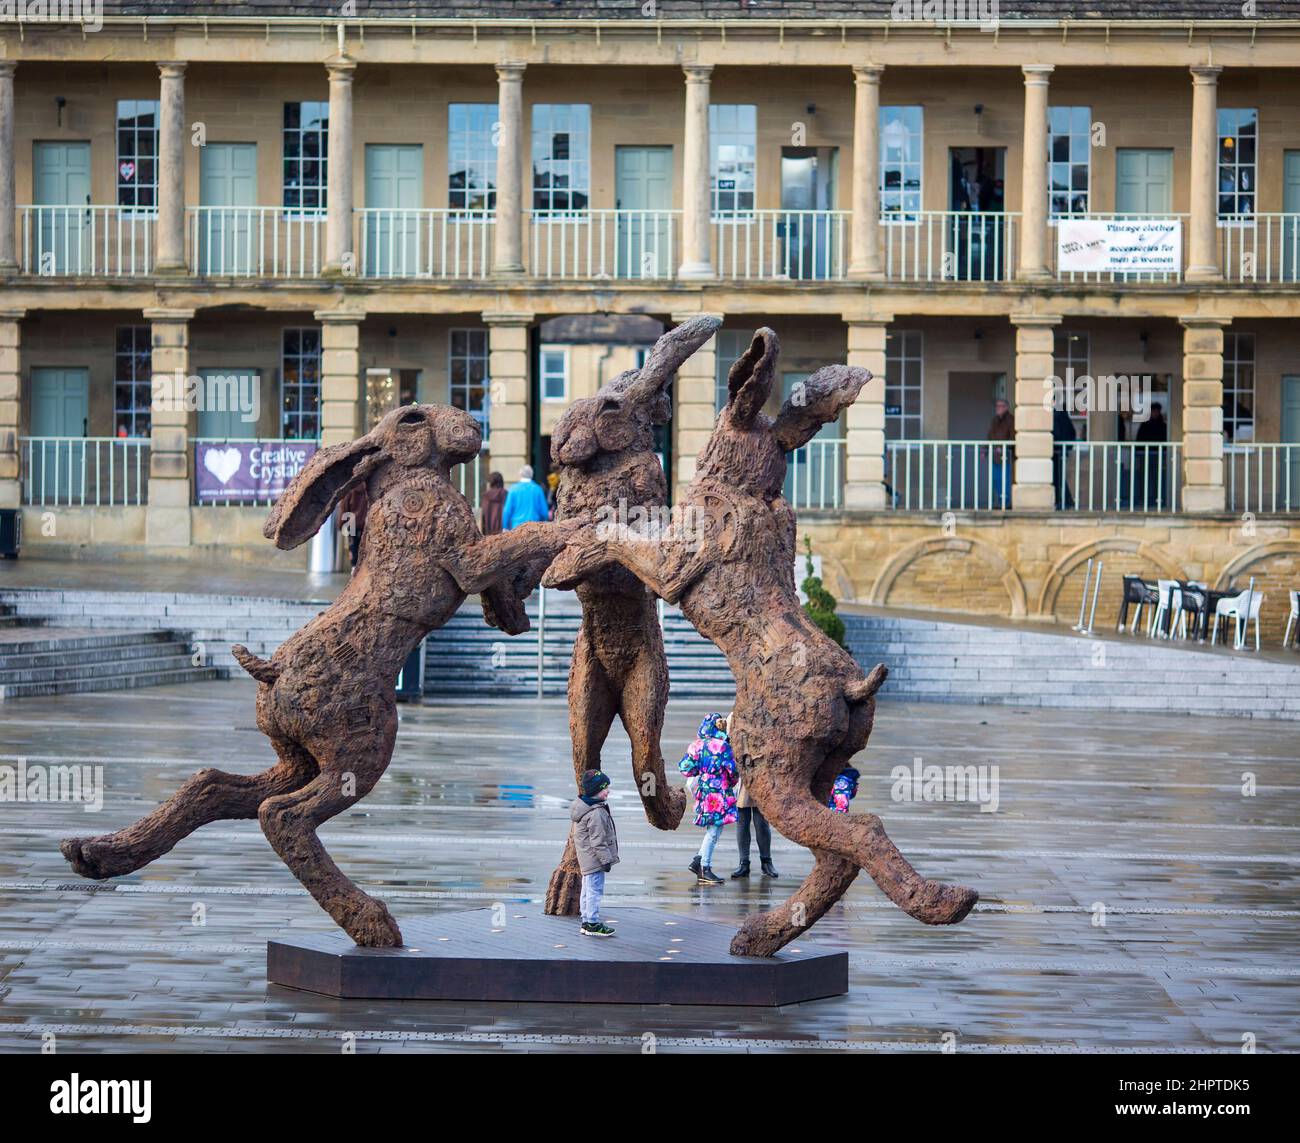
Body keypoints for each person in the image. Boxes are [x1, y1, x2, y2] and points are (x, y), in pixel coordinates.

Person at [678, 712, 739, 886]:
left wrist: (701, 772)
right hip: (719, 790)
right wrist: (728, 782)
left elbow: (685, 768)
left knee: (713, 828)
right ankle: (704, 868)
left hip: (704, 790)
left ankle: (699, 860)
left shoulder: (696, 745)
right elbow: (733, 772)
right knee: (714, 830)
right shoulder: (722, 746)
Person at [570, 769, 619, 938]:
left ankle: (586, 921)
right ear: (596, 791)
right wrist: (606, 861)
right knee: (594, 891)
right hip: (595, 860)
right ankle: (592, 923)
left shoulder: (586, 807)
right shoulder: (595, 813)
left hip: (588, 859)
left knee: (587, 890)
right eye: (605, 788)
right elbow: (598, 841)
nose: (608, 791)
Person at [732, 714, 778, 877]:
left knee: (762, 822)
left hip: (761, 775)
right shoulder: (734, 716)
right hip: (741, 776)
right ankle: (743, 862)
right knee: (742, 822)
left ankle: (766, 862)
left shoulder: (764, 714)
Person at [1134, 401, 1168, 511]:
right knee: (1144, 478)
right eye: (1154, 411)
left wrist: (1164, 455)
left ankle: (1157, 499)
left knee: (1157, 478)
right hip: (1145, 456)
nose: (1156, 413)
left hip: (1158, 456)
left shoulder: (1162, 425)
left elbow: (1165, 439)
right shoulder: (1145, 424)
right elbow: (1139, 439)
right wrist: (1138, 454)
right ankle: (1143, 499)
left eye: (1157, 411)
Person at [501, 464, 550, 530]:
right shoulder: (537, 489)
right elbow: (544, 512)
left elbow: (507, 511)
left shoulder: (513, 489)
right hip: (534, 528)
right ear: (532, 474)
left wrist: (505, 527)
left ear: (520, 474)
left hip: (517, 528)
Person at [986, 397, 1014, 509]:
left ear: (1006, 407)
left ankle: (1006, 503)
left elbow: (1013, 437)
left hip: (1005, 456)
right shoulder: (994, 420)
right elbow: (990, 436)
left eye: (1001, 406)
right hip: (995, 456)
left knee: (1005, 480)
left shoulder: (1011, 420)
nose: (999, 408)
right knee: (996, 479)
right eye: (997, 406)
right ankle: (1000, 501)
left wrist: (1004, 447)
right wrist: (985, 450)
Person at [338, 482, 369, 571]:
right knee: (364, 546)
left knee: (353, 547)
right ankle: (364, 569)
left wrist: (341, 524)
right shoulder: (368, 489)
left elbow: (344, 508)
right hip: (365, 523)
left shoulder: (349, 490)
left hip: (351, 524)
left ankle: (354, 568)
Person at [1051, 407, 1077, 510]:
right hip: (1062, 451)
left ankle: (1064, 501)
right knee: (1059, 477)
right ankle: (1065, 501)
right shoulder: (1063, 414)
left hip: (1056, 451)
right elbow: (1072, 433)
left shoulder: (1056, 414)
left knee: (1057, 477)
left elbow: (1056, 433)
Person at [480, 471, 505, 535]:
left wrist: (484, 532)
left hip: (489, 533)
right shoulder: (506, 494)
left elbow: (483, 515)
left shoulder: (486, 496)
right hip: (504, 532)